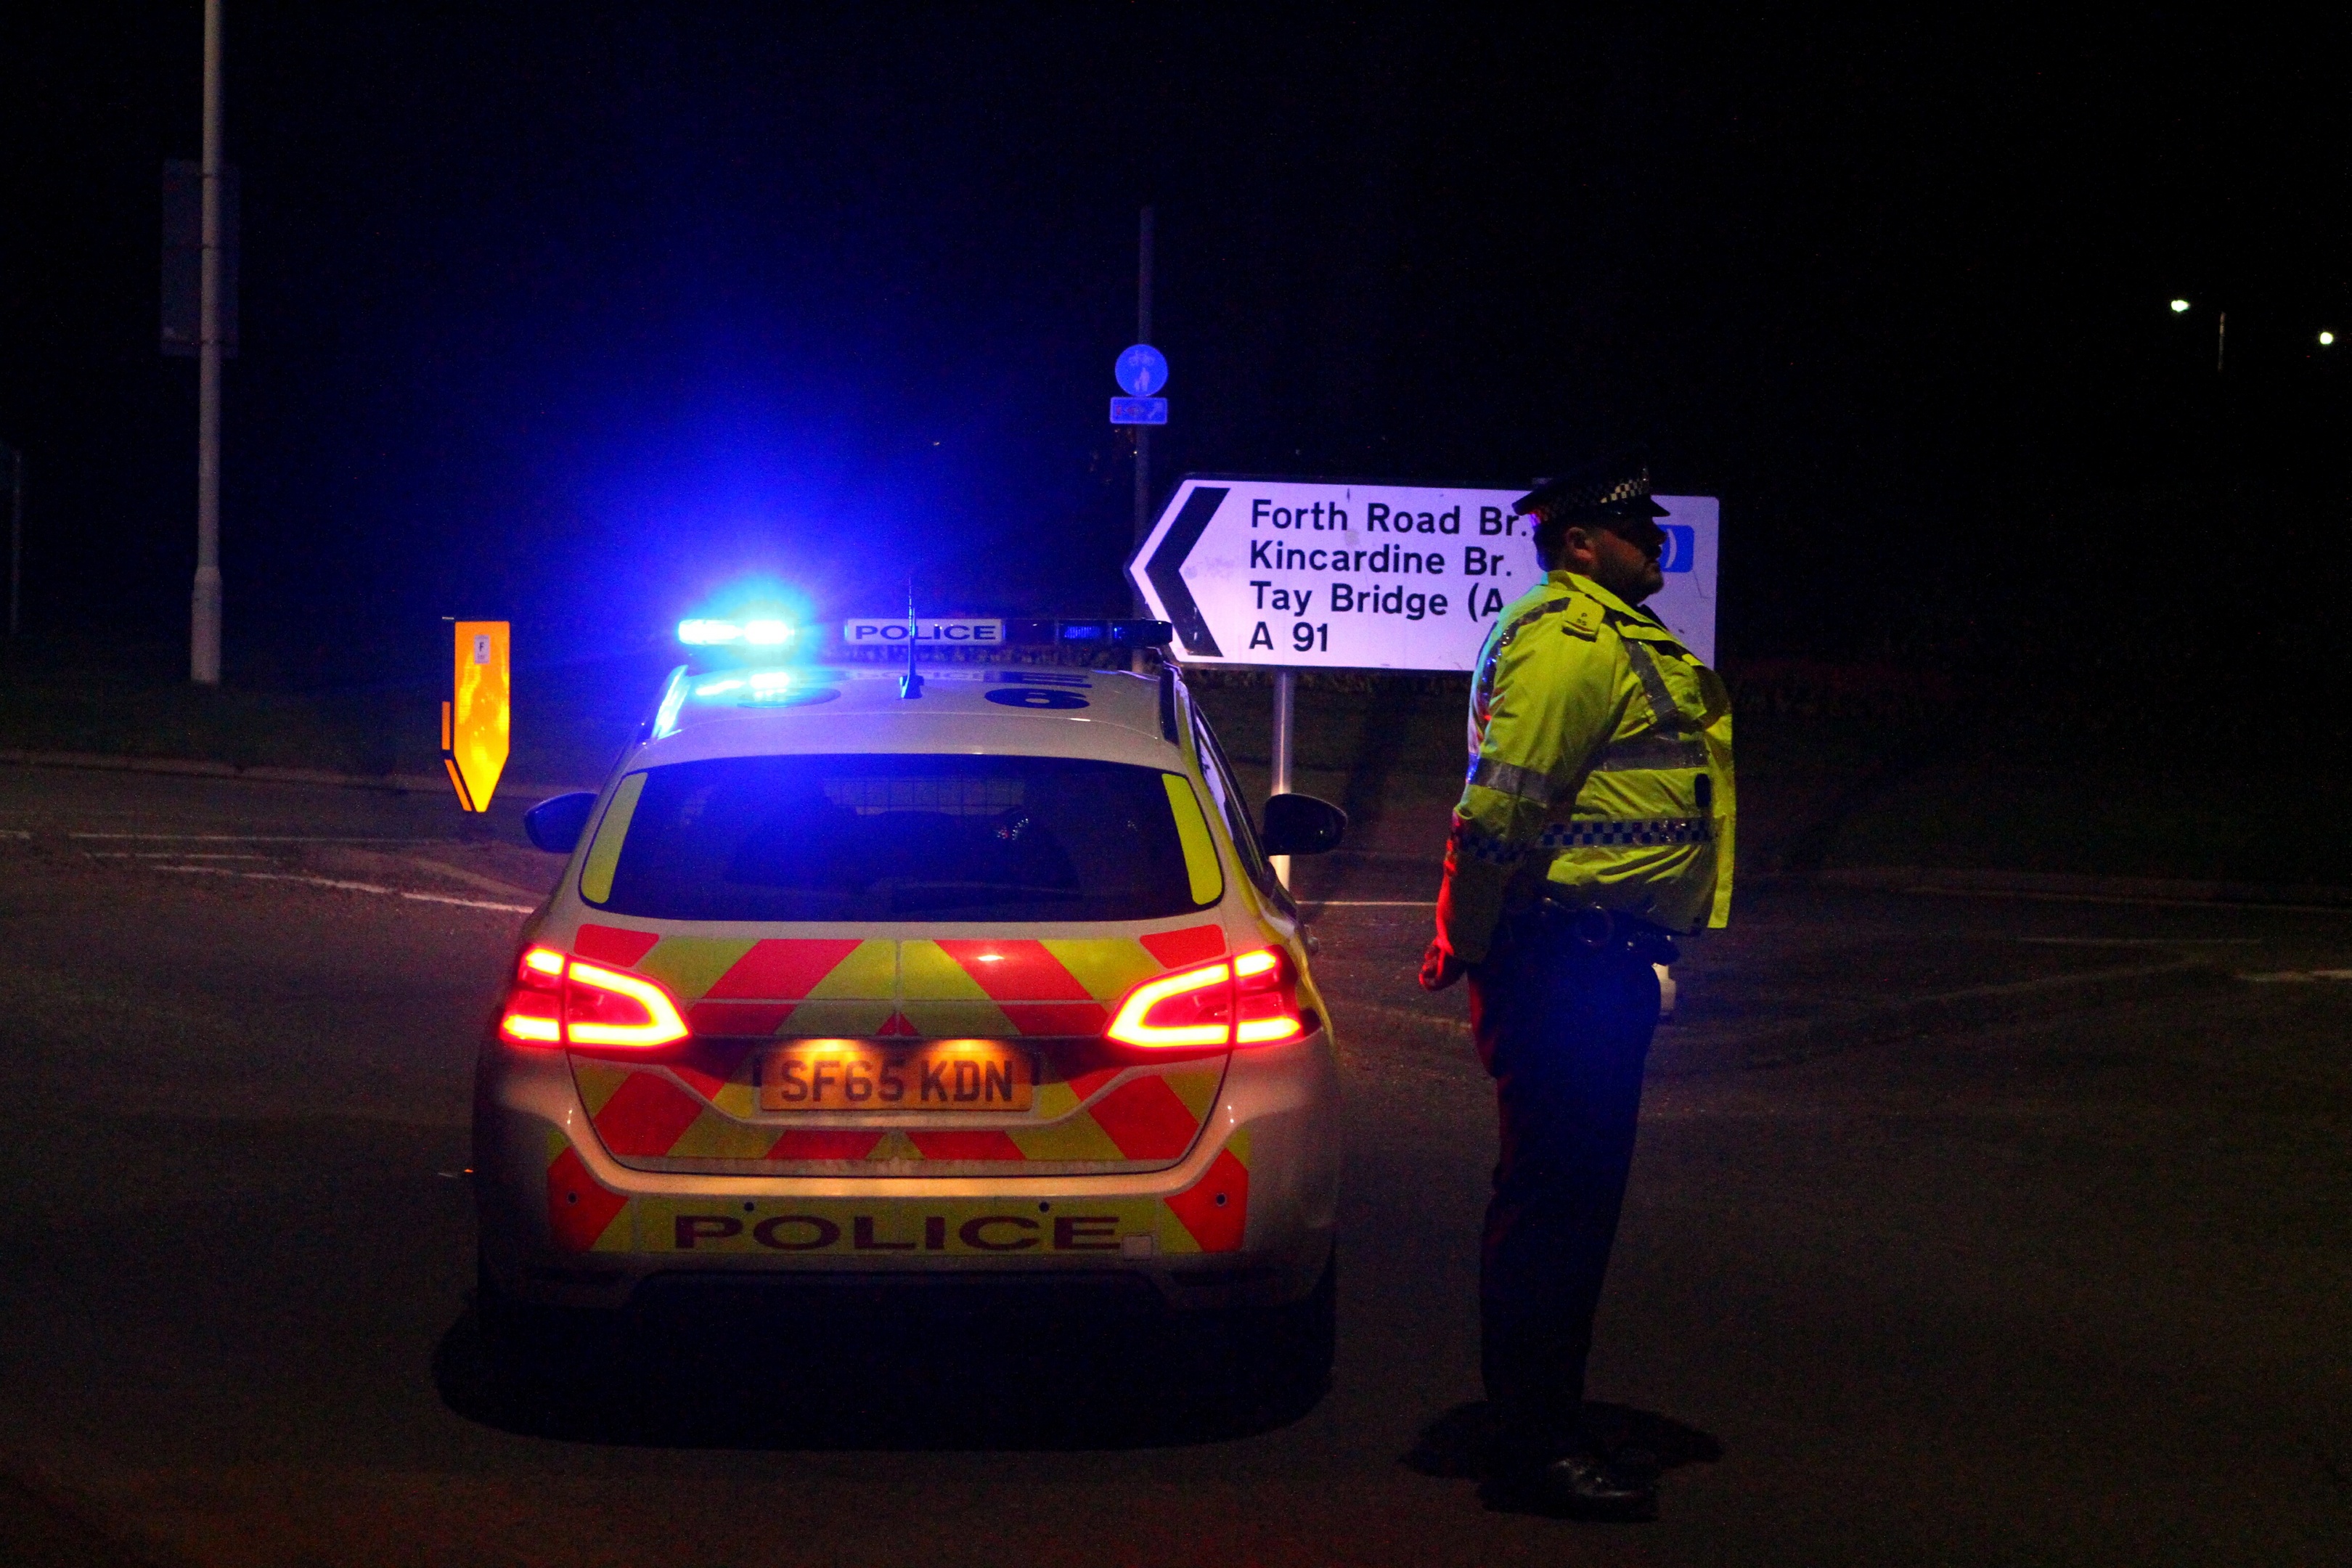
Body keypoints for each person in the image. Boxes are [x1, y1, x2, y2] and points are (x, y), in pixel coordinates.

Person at [1420, 454, 1734, 1520]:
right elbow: (1497, 808)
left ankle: (1545, 1419)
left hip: (1588, 958)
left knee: (1572, 1208)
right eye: (1636, 530)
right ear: (1579, 544)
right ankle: (1532, 1452)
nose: (1657, 544)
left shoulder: (1609, 638)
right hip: (1558, 959)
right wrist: (1463, 937)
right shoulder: (1568, 643)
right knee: (1555, 1210)